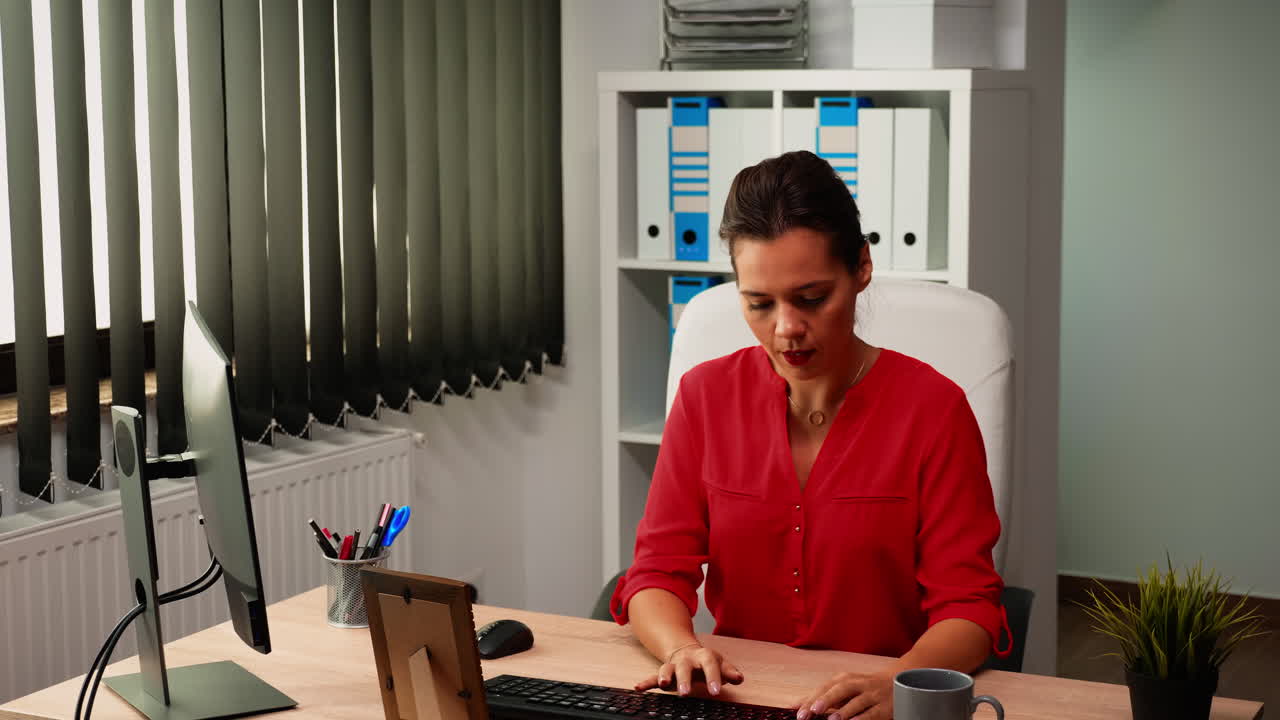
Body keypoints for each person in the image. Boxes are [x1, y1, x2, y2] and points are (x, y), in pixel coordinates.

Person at [609, 151, 1009, 720]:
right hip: (742, 698)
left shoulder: (935, 411)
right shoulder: (704, 397)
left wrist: (898, 683)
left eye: (812, 298)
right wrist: (681, 648)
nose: (787, 329)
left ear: (862, 267)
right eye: (759, 303)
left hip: (874, 706)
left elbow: (969, 608)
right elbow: (656, 574)